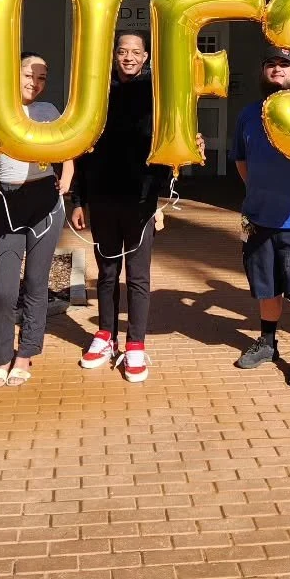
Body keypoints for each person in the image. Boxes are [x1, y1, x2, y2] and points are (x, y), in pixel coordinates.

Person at [69, 31, 203, 383]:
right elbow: (82, 150)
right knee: (107, 273)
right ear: (114, 55)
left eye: (136, 52)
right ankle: (104, 336)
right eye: (122, 51)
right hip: (101, 197)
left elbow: (171, 142)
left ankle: (135, 344)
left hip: (141, 199)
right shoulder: (96, 93)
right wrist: (78, 199)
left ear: (146, 57)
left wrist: (159, 199)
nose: (129, 57)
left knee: (139, 276)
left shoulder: (157, 94)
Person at [231, 46, 290, 387]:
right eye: (270, 63)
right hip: (260, 218)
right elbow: (241, 160)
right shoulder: (248, 114)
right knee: (266, 286)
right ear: (263, 71)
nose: (277, 69)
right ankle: (268, 342)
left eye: (284, 64)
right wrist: (258, 190)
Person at [0, 52, 72, 388]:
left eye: (42, 77)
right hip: (9, 201)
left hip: (45, 202)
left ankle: (25, 354)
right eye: (28, 75)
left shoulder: (48, 111)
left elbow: (67, 147)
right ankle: (1, 358)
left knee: (36, 284)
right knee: (5, 290)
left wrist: (68, 177)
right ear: (13, 74)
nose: (35, 83)